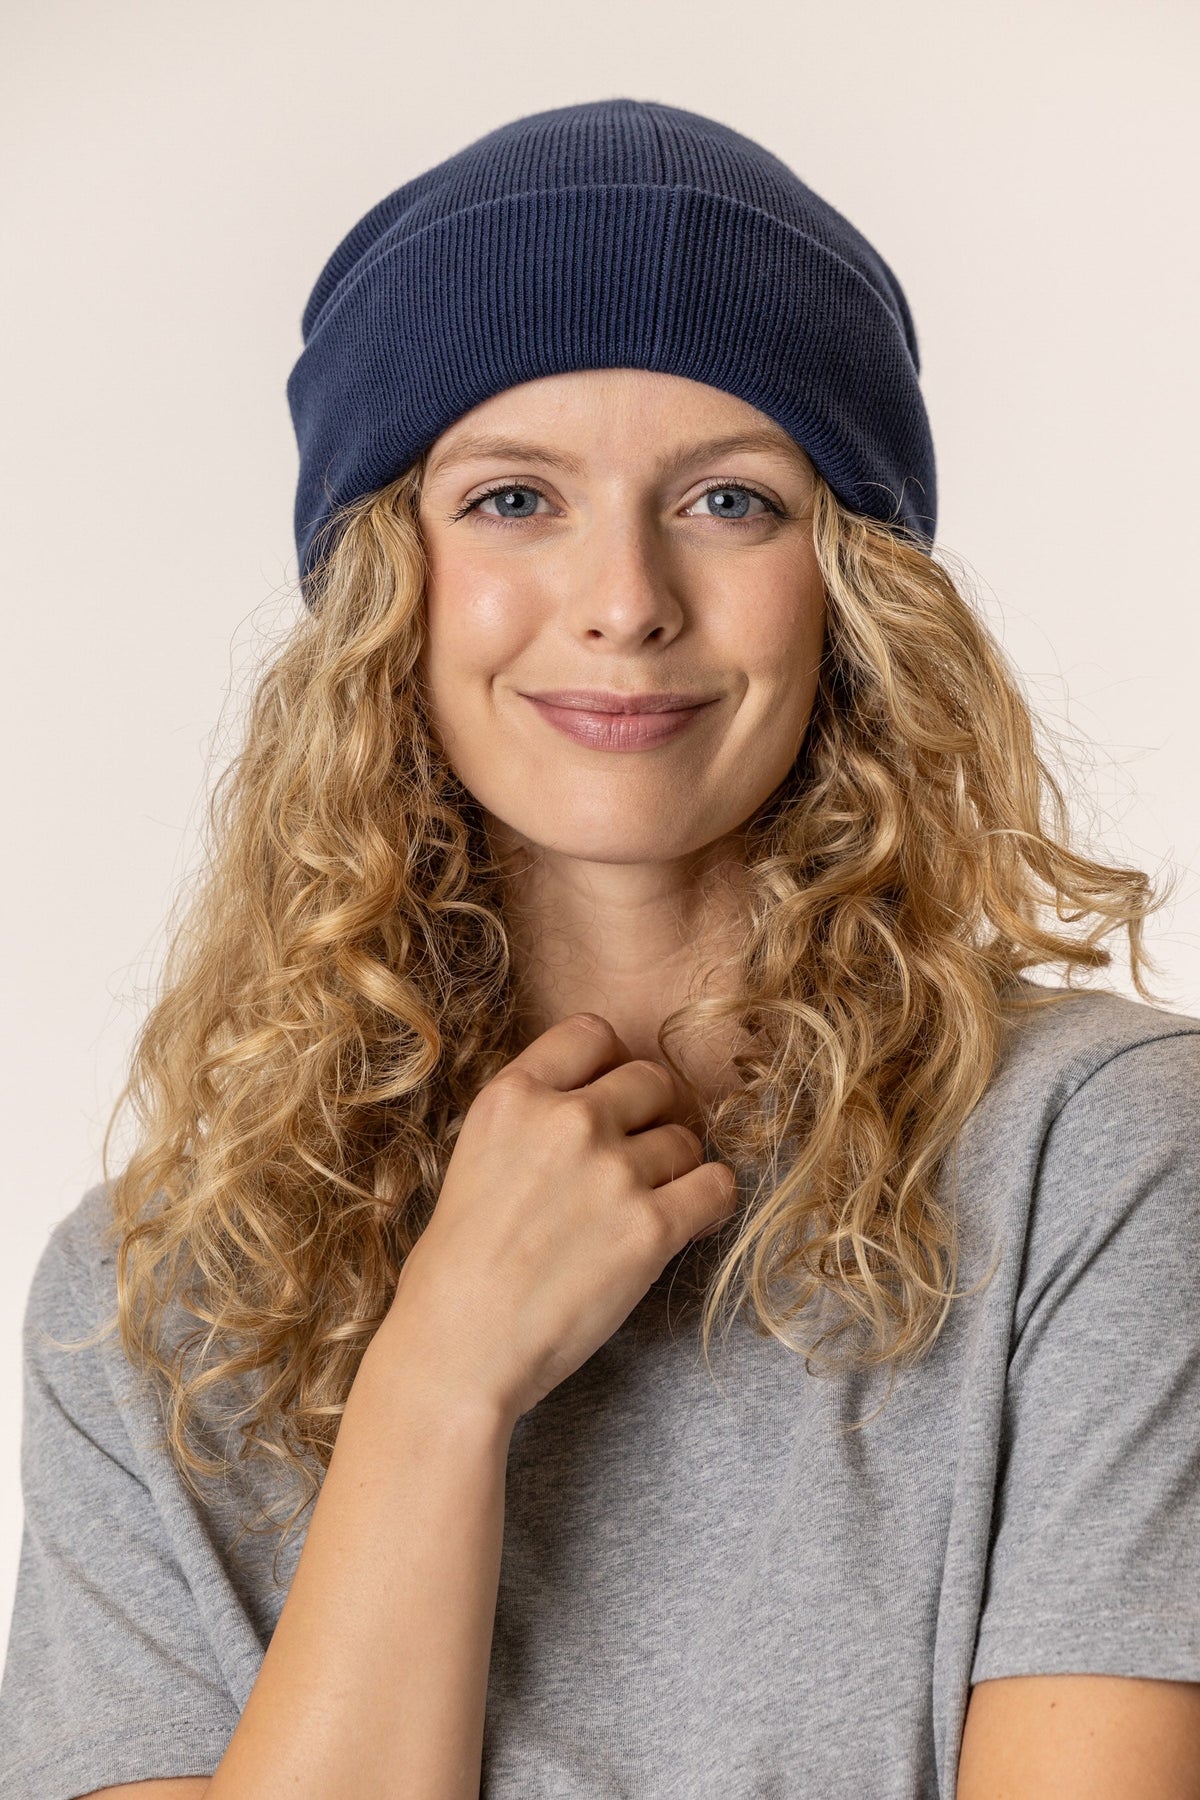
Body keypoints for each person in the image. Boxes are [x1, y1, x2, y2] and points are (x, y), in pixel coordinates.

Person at [1, 96, 1198, 1800]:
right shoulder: (145, 1309)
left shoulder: (1101, 1160)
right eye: (509, 500)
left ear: (855, 586)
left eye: (729, 498)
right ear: (379, 590)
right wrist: (439, 1383)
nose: (625, 596)